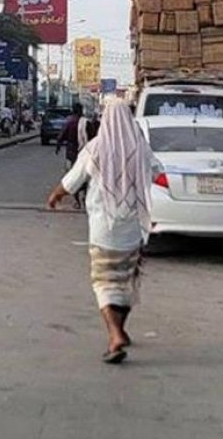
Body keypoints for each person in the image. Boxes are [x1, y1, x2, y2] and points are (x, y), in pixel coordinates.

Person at [47, 97, 153, 364]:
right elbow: (155, 173)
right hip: (133, 229)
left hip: (103, 229)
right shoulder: (141, 148)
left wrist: (55, 195)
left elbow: (72, 181)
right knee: (126, 282)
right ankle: (121, 330)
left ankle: (115, 335)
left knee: (104, 282)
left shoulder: (95, 148)